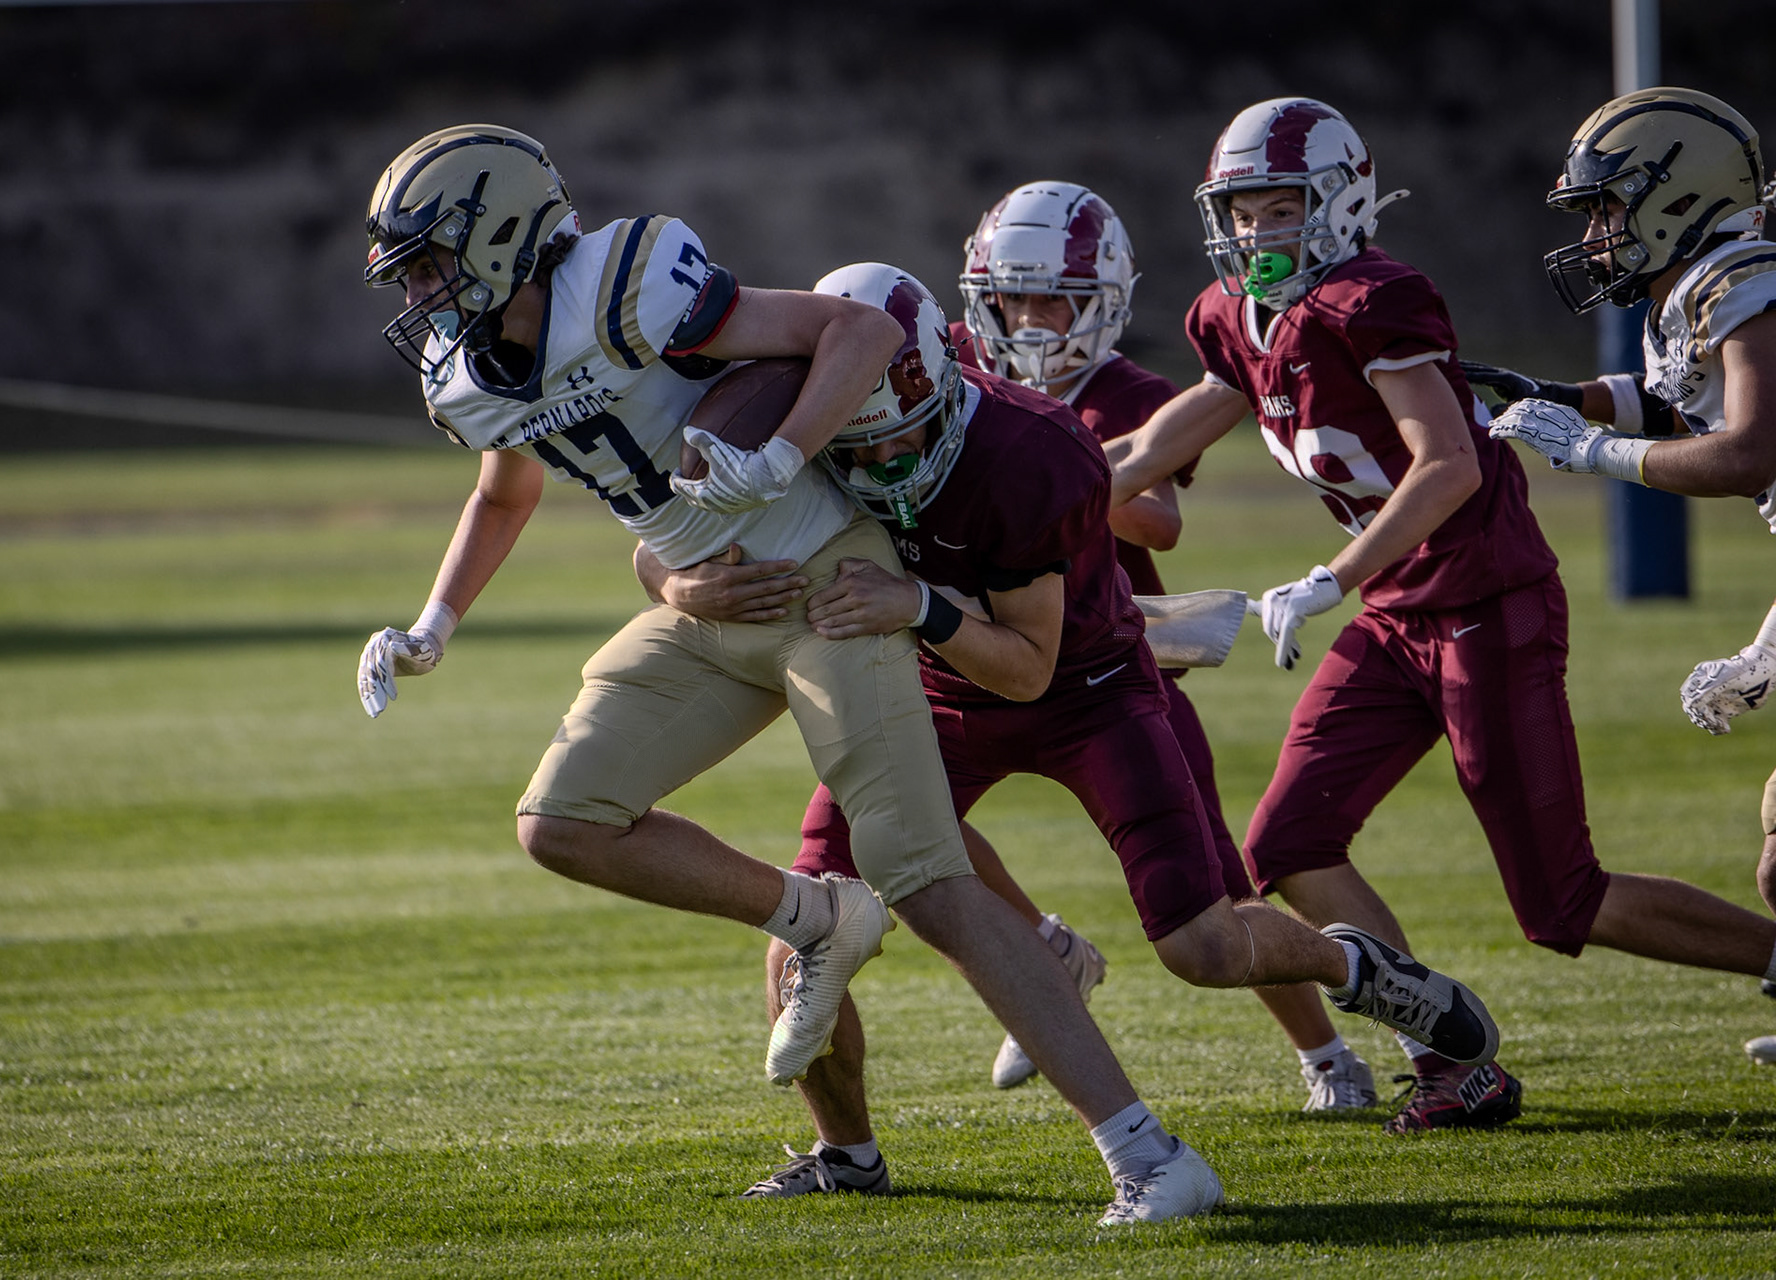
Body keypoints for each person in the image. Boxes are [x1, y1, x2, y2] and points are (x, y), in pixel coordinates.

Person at [355, 124, 1226, 1226]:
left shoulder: (626, 281)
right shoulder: (464, 376)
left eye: (432, 262)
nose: (421, 293)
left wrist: (778, 456)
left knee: (929, 879)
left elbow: (857, 330)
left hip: (824, 585)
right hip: (710, 605)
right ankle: (817, 921)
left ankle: (1151, 1155)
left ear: (503, 234)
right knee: (561, 821)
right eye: (410, 271)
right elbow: (505, 487)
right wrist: (435, 622)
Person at [639, 260, 1499, 1204]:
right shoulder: (792, 426)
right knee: (806, 926)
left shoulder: (1030, 448)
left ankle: (1355, 964)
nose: (884, 466)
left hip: (1084, 689)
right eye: (857, 450)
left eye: (898, 438)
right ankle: (847, 1157)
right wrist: (683, 584)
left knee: (1203, 947)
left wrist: (916, 602)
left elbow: (1026, 668)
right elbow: (659, 541)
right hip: (928, 693)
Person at [1106, 95, 1776, 1133]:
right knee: (1290, 842)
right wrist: (1049, 496)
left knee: (1559, 901)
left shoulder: (1372, 299)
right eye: (1240, 211)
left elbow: (1450, 464)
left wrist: (1330, 577)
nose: (1255, 231)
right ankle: (1448, 1059)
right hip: (1396, 611)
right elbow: (1170, 430)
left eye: (1280, 207)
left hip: (1484, 601)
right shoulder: (1232, 315)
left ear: (1340, 201)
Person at [954, 179, 1379, 1109]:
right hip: (979, 657)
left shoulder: (1124, 393)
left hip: (1113, 671)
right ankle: (1046, 951)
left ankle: (1327, 1056)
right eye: (1014, 298)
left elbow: (1159, 523)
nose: (1031, 319)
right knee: (903, 821)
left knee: (1215, 886)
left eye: (1055, 299)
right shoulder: (958, 364)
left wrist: (1040, 466)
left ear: (1102, 300)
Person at [1477, 87, 1776, 1067]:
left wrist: (1592, 451)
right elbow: (1672, 403)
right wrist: (1553, 396)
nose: (1595, 234)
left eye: (1607, 207)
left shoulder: (1742, 277)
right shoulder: (1695, 287)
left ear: (1677, 196)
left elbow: (1749, 449)